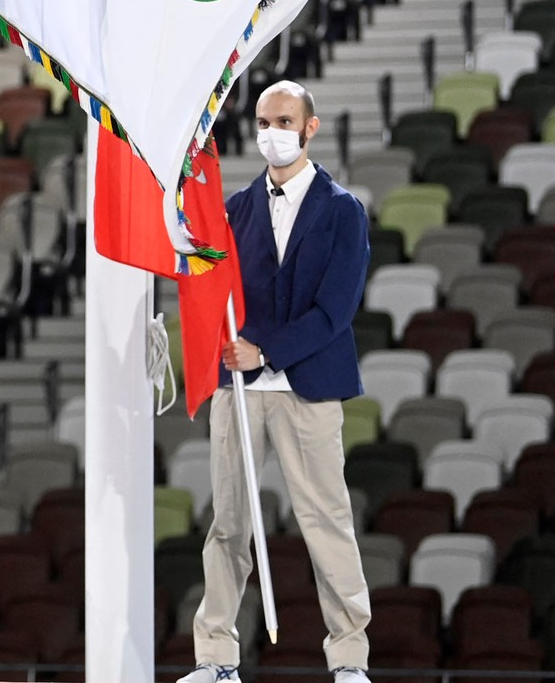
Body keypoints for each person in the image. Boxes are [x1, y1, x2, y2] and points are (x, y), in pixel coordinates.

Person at [181, 81, 371, 683]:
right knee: (228, 525)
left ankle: (349, 661)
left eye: (284, 121)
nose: (272, 133)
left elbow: (335, 311)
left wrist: (264, 351)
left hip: (308, 388)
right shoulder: (232, 209)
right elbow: (215, 292)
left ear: (310, 127)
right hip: (238, 392)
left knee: (326, 521)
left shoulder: (343, 210)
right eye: (264, 122)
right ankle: (215, 659)